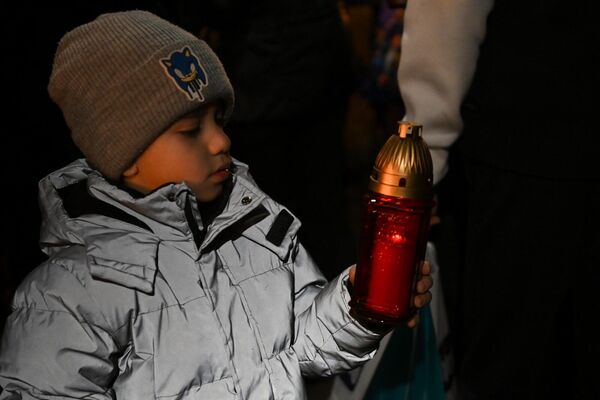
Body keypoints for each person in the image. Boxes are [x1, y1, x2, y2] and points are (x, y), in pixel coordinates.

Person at [0, 10, 433, 399]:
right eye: (191, 131)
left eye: (219, 121)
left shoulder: (256, 226)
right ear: (124, 156)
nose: (221, 140)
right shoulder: (71, 293)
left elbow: (303, 344)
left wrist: (360, 305)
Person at [397, 0, 598, 399]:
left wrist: (424, 154)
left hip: (526, 158)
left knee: (513, 362)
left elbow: (446, 20)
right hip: (529, 150)